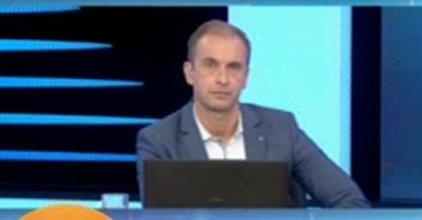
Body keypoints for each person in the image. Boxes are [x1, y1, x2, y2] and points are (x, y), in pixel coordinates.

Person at [136, 20, 369, 208]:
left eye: (233, 67)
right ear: (189, 73)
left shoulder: (282, 129)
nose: (223, 79)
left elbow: (350, 202)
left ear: (245, 77)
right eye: (210, 65)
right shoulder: (158, 141)